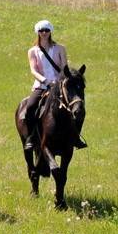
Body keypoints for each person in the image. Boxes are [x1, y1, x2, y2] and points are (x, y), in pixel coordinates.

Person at [21, 20, 87, 150]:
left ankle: (76, 136)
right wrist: (45, 81)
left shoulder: (60, 48)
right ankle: (31, 137)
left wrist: (59, 82)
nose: (44, 33)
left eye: (46, 30)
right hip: (42, 85)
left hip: (59, 85)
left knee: (79, 108)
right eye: (41, 30)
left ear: (50, 31)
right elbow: (33, 70)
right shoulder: (32, 51)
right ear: (37, 32)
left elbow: (64, 67)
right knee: (30, 107)